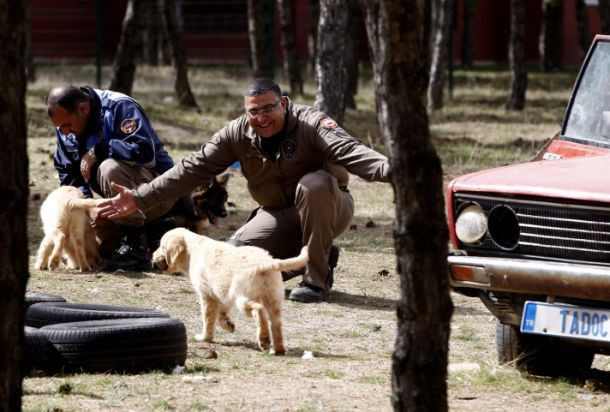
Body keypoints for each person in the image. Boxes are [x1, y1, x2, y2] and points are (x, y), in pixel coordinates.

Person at [99, 78, 390, 302]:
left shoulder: (311, 122)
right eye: (254, 111)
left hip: (328, 206)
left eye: (269, 108)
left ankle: (316, 280)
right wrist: (138, 198)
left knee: (314, 183)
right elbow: (190, 169)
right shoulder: (236, 134)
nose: (261, 118)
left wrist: (398, 171)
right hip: (276, 213)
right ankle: (319, 256)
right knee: (232, 266)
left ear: (284, 104)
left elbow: (350, 150)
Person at [46, 84, 176, 271]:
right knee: (87, 239)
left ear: (83, 108)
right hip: (122, 200)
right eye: (60, 127)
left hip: (157, 193)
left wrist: (99, 150)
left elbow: (145, 152)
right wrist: (89, 207)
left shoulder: (119, 107)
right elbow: (68, 173)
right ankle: (155, 229)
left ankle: (135, 248)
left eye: (66, 125)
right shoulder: (66, 126)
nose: (64, 131)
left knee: (110, 168)